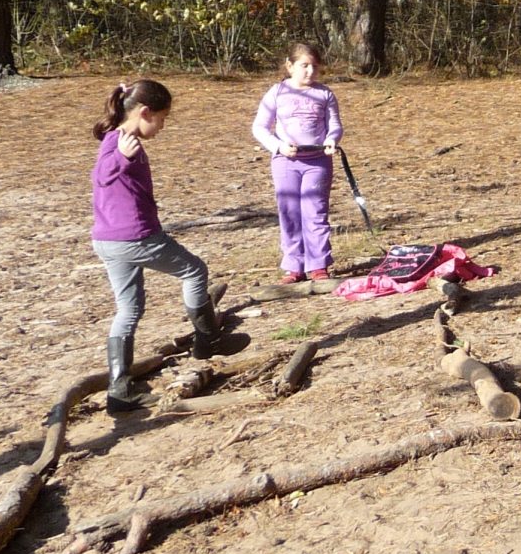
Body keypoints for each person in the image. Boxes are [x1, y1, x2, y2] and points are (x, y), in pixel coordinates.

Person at [91, 79, 244, 415]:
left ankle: (120, 391)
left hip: (108, 240)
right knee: (194, 270)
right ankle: (209, 341)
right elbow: (102, 175)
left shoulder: (118, 138)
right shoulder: (120, 142)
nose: (162, 126)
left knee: (128, 310)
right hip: (135, 238)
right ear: (145, 112)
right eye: (161, 119)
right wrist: (121, 159)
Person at [252, 42, 344, 284]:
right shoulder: (277, 92)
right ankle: (294, 266)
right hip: (285, 162)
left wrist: (331, 140)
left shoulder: (325, 94)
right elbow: (260, 127)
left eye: (315, 66)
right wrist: (278, 146)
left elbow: (334, 125)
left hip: (317, 163)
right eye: (304, 65)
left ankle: (319, 265)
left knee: (315, 212)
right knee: (289, 212)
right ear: (290, 66)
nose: (310, 71)